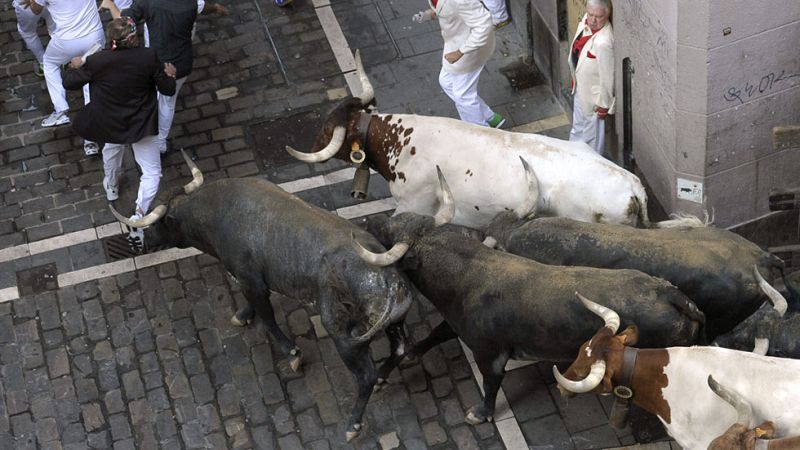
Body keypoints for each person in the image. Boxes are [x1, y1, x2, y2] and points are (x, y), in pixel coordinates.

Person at [62, 16, 176, 250]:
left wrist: (73, 66)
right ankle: (139, 214)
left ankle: (112, 185)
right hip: (140, 125)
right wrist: (171, 75)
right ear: (133, 37)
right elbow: (166, 88)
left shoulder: (96, 61)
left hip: (109, 123)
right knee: (152, 173)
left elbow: (70, 83)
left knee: (111, 153)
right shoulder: (148, 57)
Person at [99, 0, 229, 154]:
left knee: (148, 96)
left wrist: (110, 5)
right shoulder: (194, 3)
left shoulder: (148, 3)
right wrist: (216, 8)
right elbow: (204, 8)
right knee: (168, 102)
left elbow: (123, 22)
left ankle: (142, 133)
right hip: (180, 64)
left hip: (155, 63)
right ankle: (160, 141)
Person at [20, 0, 105, 156]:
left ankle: (61, 109)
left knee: (49, 64)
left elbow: (36, 10)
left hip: (67, 40)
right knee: (90, 76)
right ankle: (90, 138)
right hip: (95, 35)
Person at [413, 0, 505, 128]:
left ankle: (481, 132)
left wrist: (461, 52)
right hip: (456, 44)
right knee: (446, 82)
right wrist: (429, 15)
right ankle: (490, 117)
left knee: (462, 95)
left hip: (469, 50)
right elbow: (446, 10)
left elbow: (484, 26)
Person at [568, 0, 615, 155]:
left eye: (598, 17)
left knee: (591, 140)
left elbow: (608, 77)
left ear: (607, 16)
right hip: (580, 88)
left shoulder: (604, 42)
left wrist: (604, 104)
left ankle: (590, 168)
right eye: (591, 14)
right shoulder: (585, 22)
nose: (593, 20)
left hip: (594, 100)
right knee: (577, 128)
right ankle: (572, 159)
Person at [13, 0, 54, 76]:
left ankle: (44, 64)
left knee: (28, 33)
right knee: (55, 30)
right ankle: (62, 59)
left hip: (27, 5)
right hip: (52, 3)